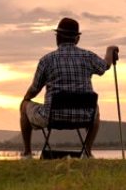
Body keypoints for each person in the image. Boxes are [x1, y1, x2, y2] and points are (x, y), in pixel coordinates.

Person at [19, 17, 119, 158]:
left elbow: (35, 89)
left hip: (52, 117)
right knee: (95, 108)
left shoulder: (47, 60)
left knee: (24, 106)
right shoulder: (88, 57)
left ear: (57, 38)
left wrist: (25, 100)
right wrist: (110, 50)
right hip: (84, 116)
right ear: (77, 39)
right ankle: (87, 152)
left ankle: (27, 153)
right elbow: (105, 66)